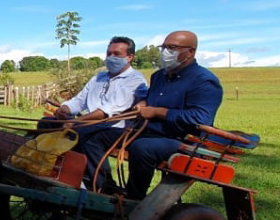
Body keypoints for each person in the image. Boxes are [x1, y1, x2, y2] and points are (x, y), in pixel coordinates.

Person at [80, 30, 223, 199]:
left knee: (142, 148)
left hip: (182, 141)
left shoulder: (204, 80)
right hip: (147, 132)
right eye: (164, 47)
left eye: (172, 48)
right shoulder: (159, 76)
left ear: (190, 52)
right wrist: (143, 103)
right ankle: (104, 188)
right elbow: (151, 100)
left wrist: (158, 112)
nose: (166, 52)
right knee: (92, 133)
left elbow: (201, 118)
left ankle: (133, 199)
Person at [51, 36, 148, 190]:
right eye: (109, 53)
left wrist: (77, 121)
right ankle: (51, 169)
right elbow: (79, 100)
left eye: (117, 54)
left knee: (83, 133)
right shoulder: (98, 78)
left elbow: (107, 112)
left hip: (116, 127)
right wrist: (65, 109)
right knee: (47, 123)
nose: (111, 57)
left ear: (130, 57)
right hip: (89, 123)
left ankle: (102, 185)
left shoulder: (135, 80)